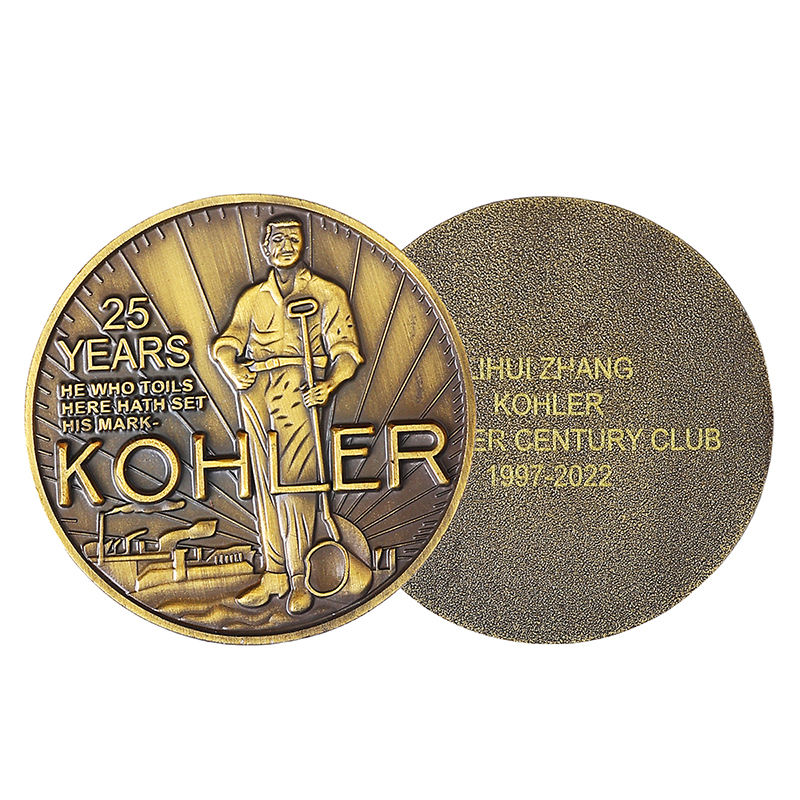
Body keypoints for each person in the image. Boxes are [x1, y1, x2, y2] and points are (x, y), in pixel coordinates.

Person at [212, 216, 362, 614]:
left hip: (299, 387)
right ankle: (274, 573)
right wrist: (232, 367)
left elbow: (347, 353)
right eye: (277, 239)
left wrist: (329, 385)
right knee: (265, 483)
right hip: (254, 391)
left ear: (303, 244)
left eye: (293, 238)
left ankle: (300, 577)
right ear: (265, 248)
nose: (285, 246)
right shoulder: (252, 298)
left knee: (296, 485)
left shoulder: (327, 293)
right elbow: (226, 343)